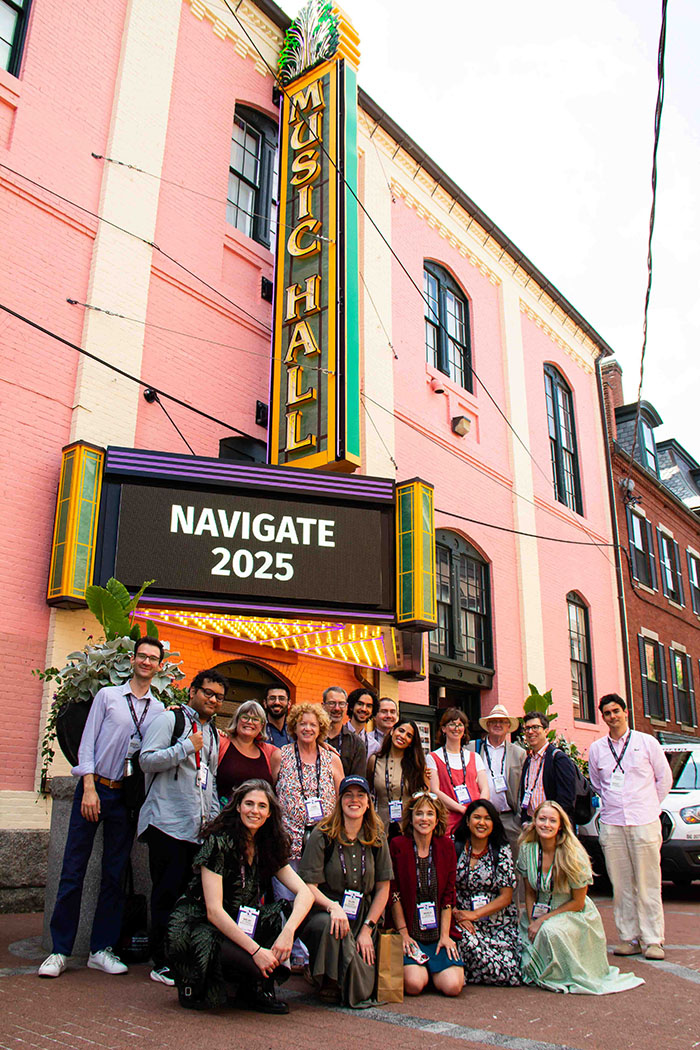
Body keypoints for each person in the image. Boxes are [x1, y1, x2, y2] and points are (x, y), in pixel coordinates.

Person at [39, 637, 166, 979]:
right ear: (132, 660)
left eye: (153, 658)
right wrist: (89, 788)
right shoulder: (108, 696)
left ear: (159, 666)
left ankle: (101, 948)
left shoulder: (158, 710)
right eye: (142, 656)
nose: (146, 662)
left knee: (114, 874)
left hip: (125, 798)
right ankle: (59, 949)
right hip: (96, 789)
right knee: (73, 870)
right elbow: (87, 745)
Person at [166, 779, 313, 1012]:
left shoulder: (267, 844)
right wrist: (256, 951)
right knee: (258, 966)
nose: (255, 811)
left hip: (241, 920)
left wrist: (288, 932)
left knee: (300, 912)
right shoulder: (219, 842)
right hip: (204, 926)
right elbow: (214, 912)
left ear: (269, 813)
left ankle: (255, 988)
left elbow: (305, 893)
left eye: (262, 806)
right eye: (249, 804)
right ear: (238, 807)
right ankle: (203, 984)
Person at [137, 668, 227, 985]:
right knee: (165, 891)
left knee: (187, 897)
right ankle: (160, 961)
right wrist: (186, 747)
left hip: (197, 829)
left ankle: (178, 956)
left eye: (218, 696)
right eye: (208, 692)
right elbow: (146, 760)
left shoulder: (214, 734)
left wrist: (213, 822)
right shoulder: (170, 720)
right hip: (167, 823)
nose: (212, 699)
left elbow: (210, 782)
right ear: (192, 691)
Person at [517, 801, 644, 995]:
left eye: (552, 820)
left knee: (550, 932)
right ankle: (537, 970)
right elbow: (529, 892)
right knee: (519, 934)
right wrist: (532, 918)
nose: (546, 825)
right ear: (534, 821)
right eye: (542, 819)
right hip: (539, 909)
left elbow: (578, 902)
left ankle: (558, 975)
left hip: (571, 912)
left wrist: (542, 920)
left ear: (560, 825)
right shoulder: (528, 850)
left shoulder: (572, 854)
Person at [588, 693, 672, 961]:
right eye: (607, 713)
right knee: (621, 884)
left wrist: (648, 805)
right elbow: (597, 783)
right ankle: (628, 937)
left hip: (644, 821)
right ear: (602, 717)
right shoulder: (597, 749)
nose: (612, 717)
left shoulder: (646, 743)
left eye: (616, 711)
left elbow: (664, 779)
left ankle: (653, 939)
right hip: (613, 822)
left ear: (626, 711)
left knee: (648, 882)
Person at [298, 775, 392, 1007]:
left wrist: (367, 929)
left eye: (360, 795)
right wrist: (333, 907)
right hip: (327, 911)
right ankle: (328, 979)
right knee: (332, 927)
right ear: (339, 800)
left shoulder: (377, 836)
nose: (354, 800)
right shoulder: (323, 834)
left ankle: (345, 976)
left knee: (375, 972)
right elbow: (309, 886)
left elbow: (383, 888)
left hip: (363, 915)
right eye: (348, 795)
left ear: (369, 802)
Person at [388, 791, 464, 997]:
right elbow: (394, 894)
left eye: (429, 814)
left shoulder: (446, 846)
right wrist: (403, 933)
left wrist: (446, 936)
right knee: (413, 985)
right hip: (411, 932)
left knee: (453, 986)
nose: (424, 819)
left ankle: (434, 969)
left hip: (438, 932)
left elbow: (449, 894)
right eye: (419, 814)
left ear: (437, 818)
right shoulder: (397, 845)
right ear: (410, 818)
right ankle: (423, 971)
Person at [453, 800, 521, 985]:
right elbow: (444, 888)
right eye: (476, 817)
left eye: (487, 818)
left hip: (495, 921)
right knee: (463, 941)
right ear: (467, 821)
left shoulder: (501, 851)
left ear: (494, 823)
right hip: (462, 919)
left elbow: (506, 897)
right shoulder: (455, 846)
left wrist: (474, 914)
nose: (481, 823)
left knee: (510, 969)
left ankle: (478, 970)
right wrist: (458, 914)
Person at [469, 703, 526, 859]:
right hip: (481, 817)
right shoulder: (472, 748)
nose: (498, 725)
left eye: (502, 722)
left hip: (509, 818)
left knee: (514, 863)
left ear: (508, 727)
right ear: (487, 725)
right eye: (494, 721)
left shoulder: (519, 753)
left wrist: (519, 818)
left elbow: (524, 787)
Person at [426, 708, 490, 836]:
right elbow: (435, 790)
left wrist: (477, 810)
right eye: (452, 724)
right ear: (443, 728)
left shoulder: (475, 757)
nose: (456, 728)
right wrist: (462, 809)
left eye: (460, 724)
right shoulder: (433, 757)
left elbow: (485, 788)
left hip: (474, 822)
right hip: (448, 822)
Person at [367, 720, 428, 833]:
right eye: (401, 731)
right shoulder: (374, 761)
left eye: (409, 736)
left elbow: (425, 797)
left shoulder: (417, 766)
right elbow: (368, 792)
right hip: (379, 826)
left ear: (411, 742)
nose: (403, 736)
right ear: (392, 731)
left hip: (408, 828)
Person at [518, 711, 577, 825]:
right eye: (527, 728)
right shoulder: (529, 760)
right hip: (532, 824)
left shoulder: (558, 759)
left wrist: (553, 823)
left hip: (551, 826)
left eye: (535, 727)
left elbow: (566, 798)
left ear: (546, 730)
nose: (530, 732)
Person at [216, 701, 280, 805]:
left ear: (262, 725)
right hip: (224, 815)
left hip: (256, 817)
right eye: (245, 717)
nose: (250, 722)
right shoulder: (221, 743)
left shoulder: (270, 752)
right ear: (237, 720)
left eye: (255, 719)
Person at [322, 686, 367, 776]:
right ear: (323, 706)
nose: (337, 708)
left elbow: (357, 782)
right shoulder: (313, 738)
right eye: (332, 703)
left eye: (341, 704)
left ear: (346, 707)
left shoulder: (356, 743)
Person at [263, 682, 293, 748]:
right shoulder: (258, 730)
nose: (277, 702)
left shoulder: (295, 731)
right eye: (272, 698)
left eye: (281, 698)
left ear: (289, 704)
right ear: (265, 703)